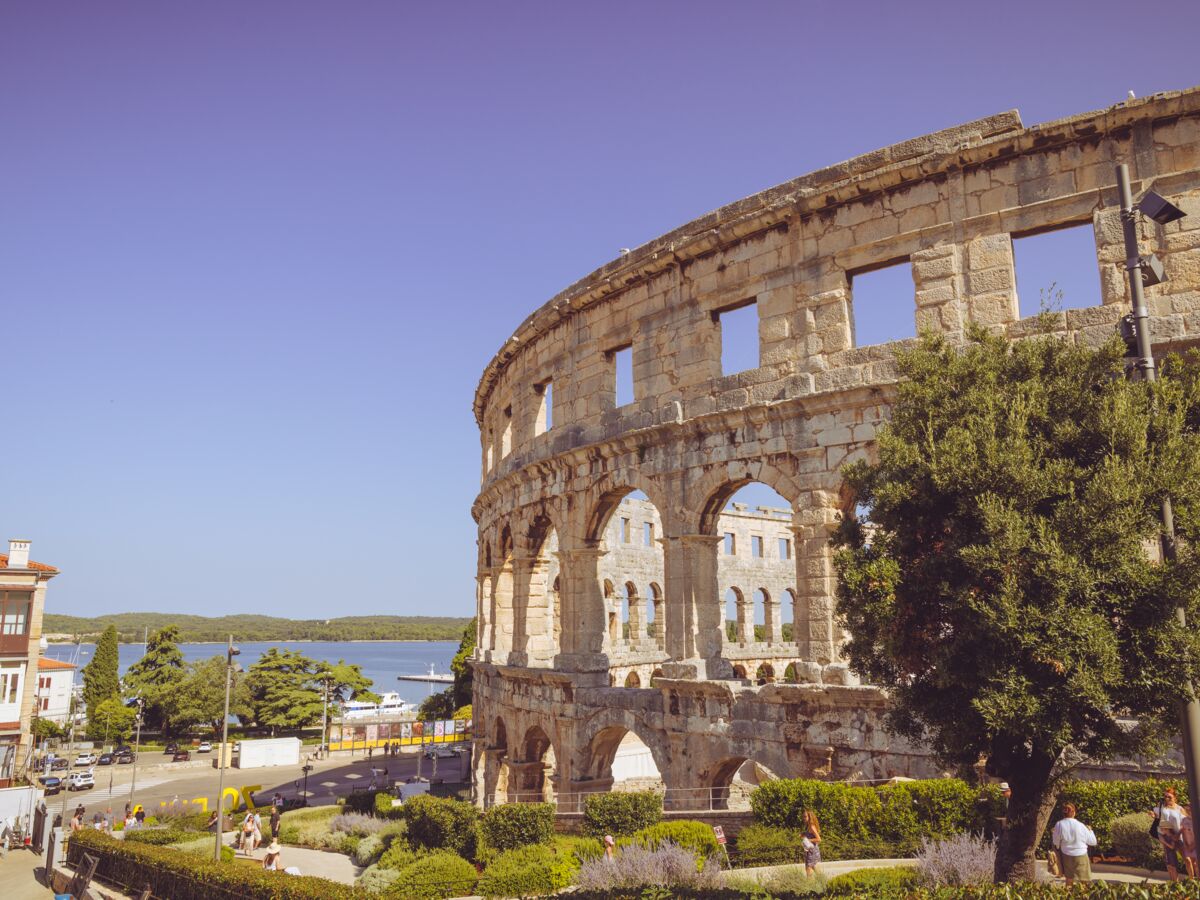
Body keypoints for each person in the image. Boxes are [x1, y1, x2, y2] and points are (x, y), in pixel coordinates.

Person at [1052, 803, 1096, 886]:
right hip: (1081, 855)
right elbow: (1093, 842)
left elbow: (1056, 843)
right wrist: (1090, 831)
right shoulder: (1081, 825)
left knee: (1069, 880)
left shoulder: (1059, 824)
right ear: (1074, 813)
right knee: (1084, 881)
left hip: (1066, 855)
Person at [1154, 788, 1187, 881]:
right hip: (1167, 837)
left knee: (1187, 859)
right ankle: (1175, 882)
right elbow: (1158, 819)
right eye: (1165, 796)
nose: (1167, 798)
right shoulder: (1162, 807)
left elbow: (1185, 822)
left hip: (1179, 836)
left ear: (1175, 797)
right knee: (1171, 862)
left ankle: (1193, 880)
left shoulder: (1179, 808)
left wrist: (1178, 834)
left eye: (1169, 797)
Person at [802, 809, 822, 877]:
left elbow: (819, 839)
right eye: (803, 816)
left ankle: (809, 883)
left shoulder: (812, 826)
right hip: (810, 850)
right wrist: (804, 834)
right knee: (812, 867)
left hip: (812, 851)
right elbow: (810, 835)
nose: (803, 818)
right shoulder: (808, 826)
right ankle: (822, 880)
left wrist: (808, 840)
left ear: (809, 817)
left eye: (805, 816)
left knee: (808, 868)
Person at [1182, 805, 1198, 878]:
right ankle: (1191, 880)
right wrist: (1185, 844)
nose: (1188, 811)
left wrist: (1193, 845)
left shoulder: (1197, 820)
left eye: (1190, 809)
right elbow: (1183, 832)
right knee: (1189, 862)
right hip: (1187, 844)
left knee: (1196, 864)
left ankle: (1198, 880)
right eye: (1187, 810)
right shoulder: (1184, 820)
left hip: (1196, 845)